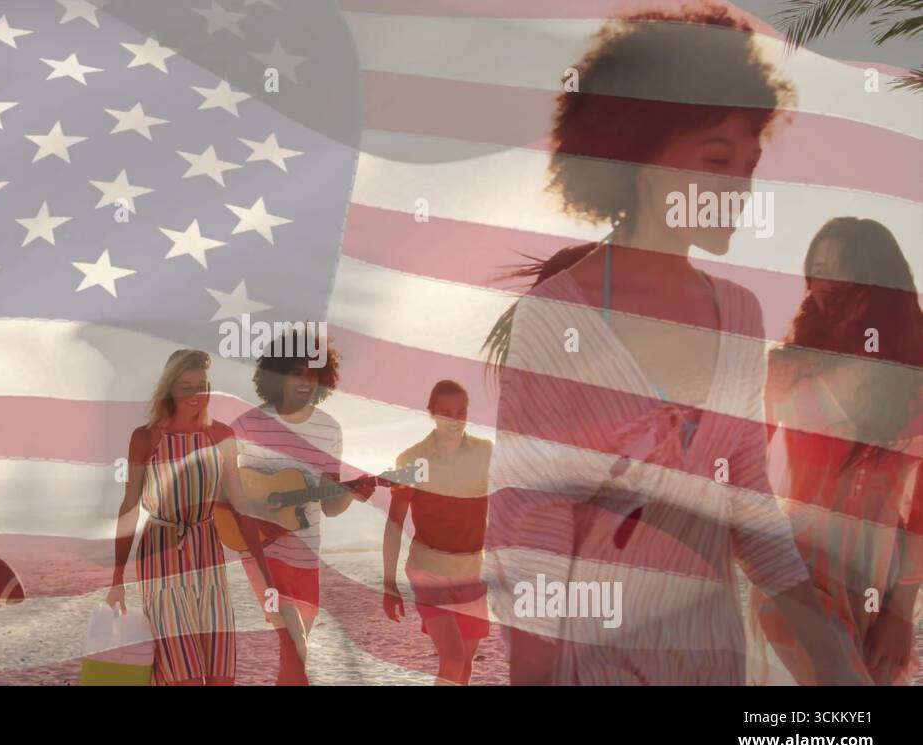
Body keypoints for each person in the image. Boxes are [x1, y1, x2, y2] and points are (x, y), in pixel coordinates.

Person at [483, 5, 869, 685]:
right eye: (717, 159)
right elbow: (533, 525)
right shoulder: (554, 316)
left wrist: (833, 659)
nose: (739, 189)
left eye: (748, 164)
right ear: (637, 157)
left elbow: (748, 497)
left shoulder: (741, 313)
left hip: (711, 656)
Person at [752, 218, 923, 685]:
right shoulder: (788, 367)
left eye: (843, 268)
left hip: (879, 588)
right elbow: (746, 468)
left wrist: (901, 611)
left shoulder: (913, 385)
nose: (826, 283)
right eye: (819, 269)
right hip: (797, 569)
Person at [106, 349, 276, 685]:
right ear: (170, 389)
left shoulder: (222, 436)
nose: (196, 395)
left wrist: (267, 579)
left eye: (202, 386)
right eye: (186, 387)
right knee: (180, 674)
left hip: (208, 555)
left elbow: (241, 506)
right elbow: (129, 507)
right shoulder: (146, 438)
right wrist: (116, 579)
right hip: (161, 558)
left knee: (220, 673)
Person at [231, 331, 375, 685]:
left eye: (312, 373)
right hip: (261, 553)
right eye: (296, 372)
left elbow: (329, 506)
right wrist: (256, 515)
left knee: (295, 651)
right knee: (295, 640)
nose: (305, 381)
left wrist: (353, 494)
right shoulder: (247, 426)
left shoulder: (329, 430)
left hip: (307, 554)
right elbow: (221, 489)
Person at [383, 380, 492, 685]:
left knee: (465, 666)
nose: (454, 421)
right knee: (453, 659)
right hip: (428, 569)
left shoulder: (485, 453)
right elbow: (394, 524)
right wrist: (389, 583)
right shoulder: (413, 459)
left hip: (471, 570)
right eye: (446, 413)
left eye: (461, 413)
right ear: (431, 412)